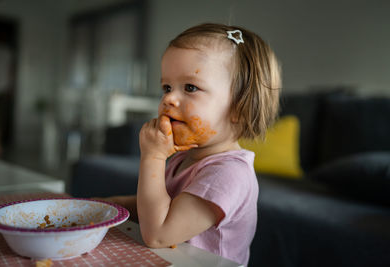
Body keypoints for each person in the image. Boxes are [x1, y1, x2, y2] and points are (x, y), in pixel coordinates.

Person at [98, 23, 281, 266]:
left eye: (190, 87)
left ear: (239, 108)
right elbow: (165, 202)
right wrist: (113, 206)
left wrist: (152, 157)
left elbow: (159, 233)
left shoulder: (228, 174)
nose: (168, 99)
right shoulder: (185, 157)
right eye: (167, 87)